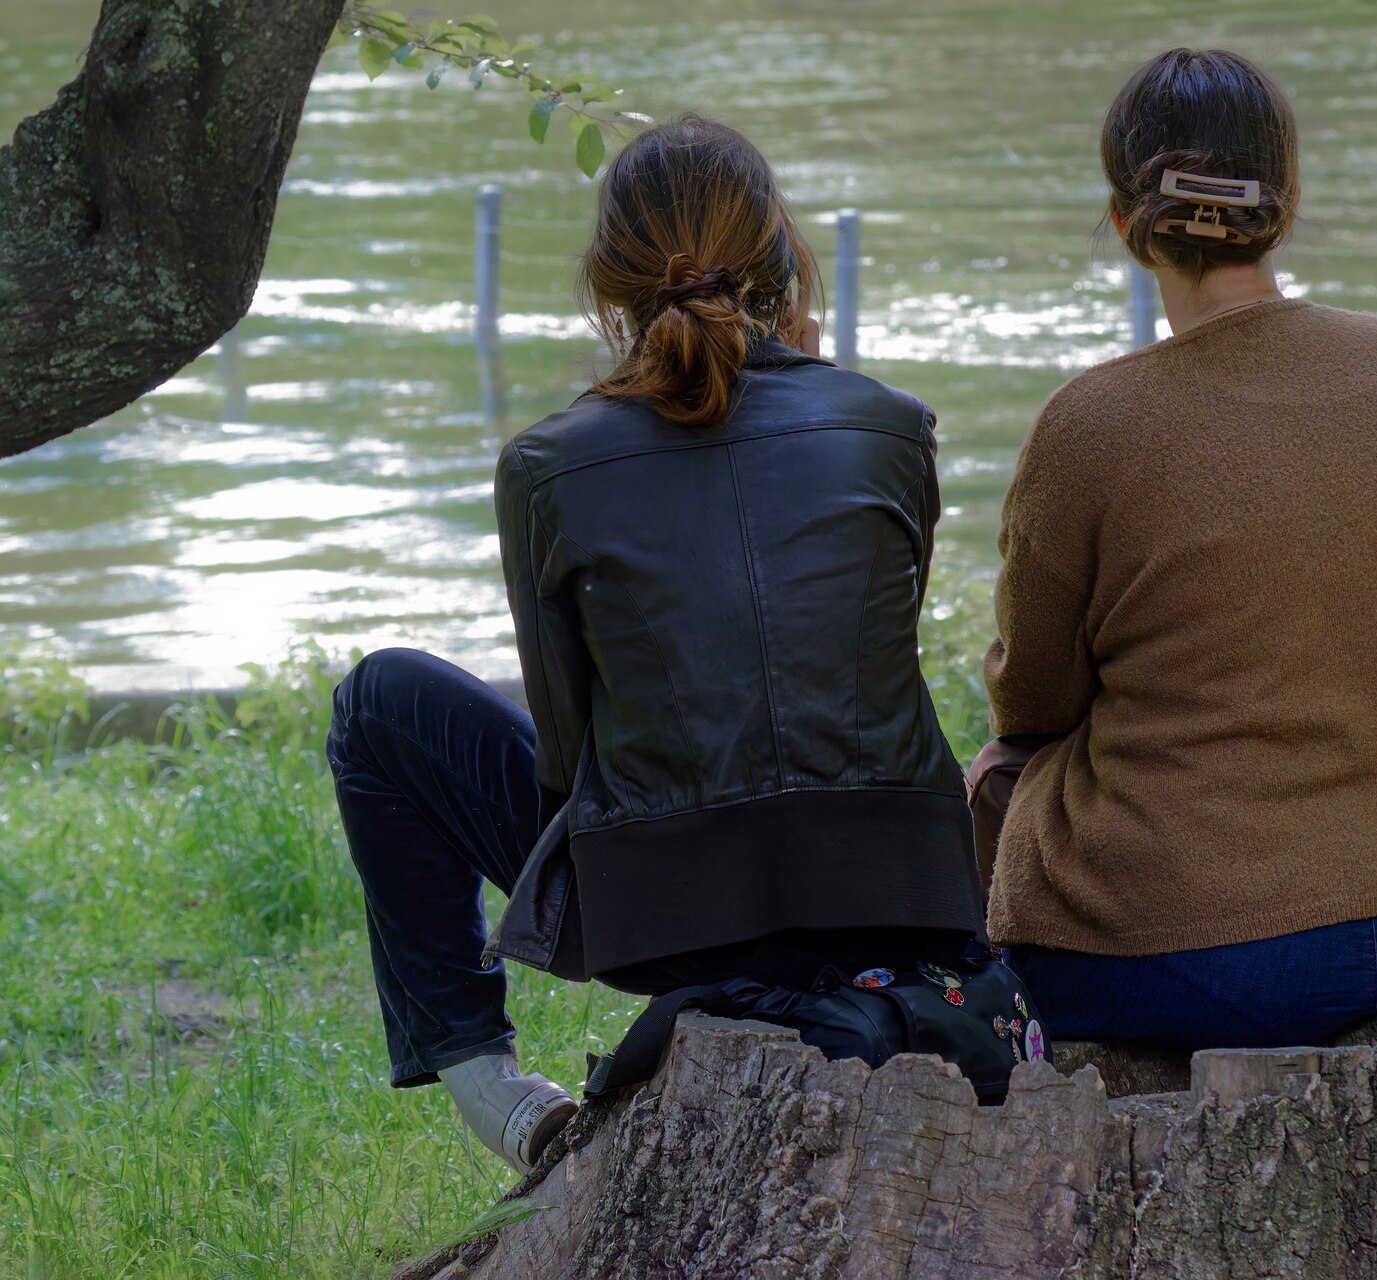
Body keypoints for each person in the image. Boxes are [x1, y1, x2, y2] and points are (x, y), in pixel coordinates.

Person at [327, 115, 983, 1174]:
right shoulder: (891, 423)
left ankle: (483, 1081)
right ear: (784, 260)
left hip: (668, 922)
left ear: (610, 284)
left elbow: (567, 754)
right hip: (903, 903)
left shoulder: (546, 462)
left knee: (379, 702)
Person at [975, 50, 1377, 1050]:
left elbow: (1034, 702)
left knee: (997, 783)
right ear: (1283, 207)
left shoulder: (1088, 425)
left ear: (1125, 223)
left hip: (1195, 957)